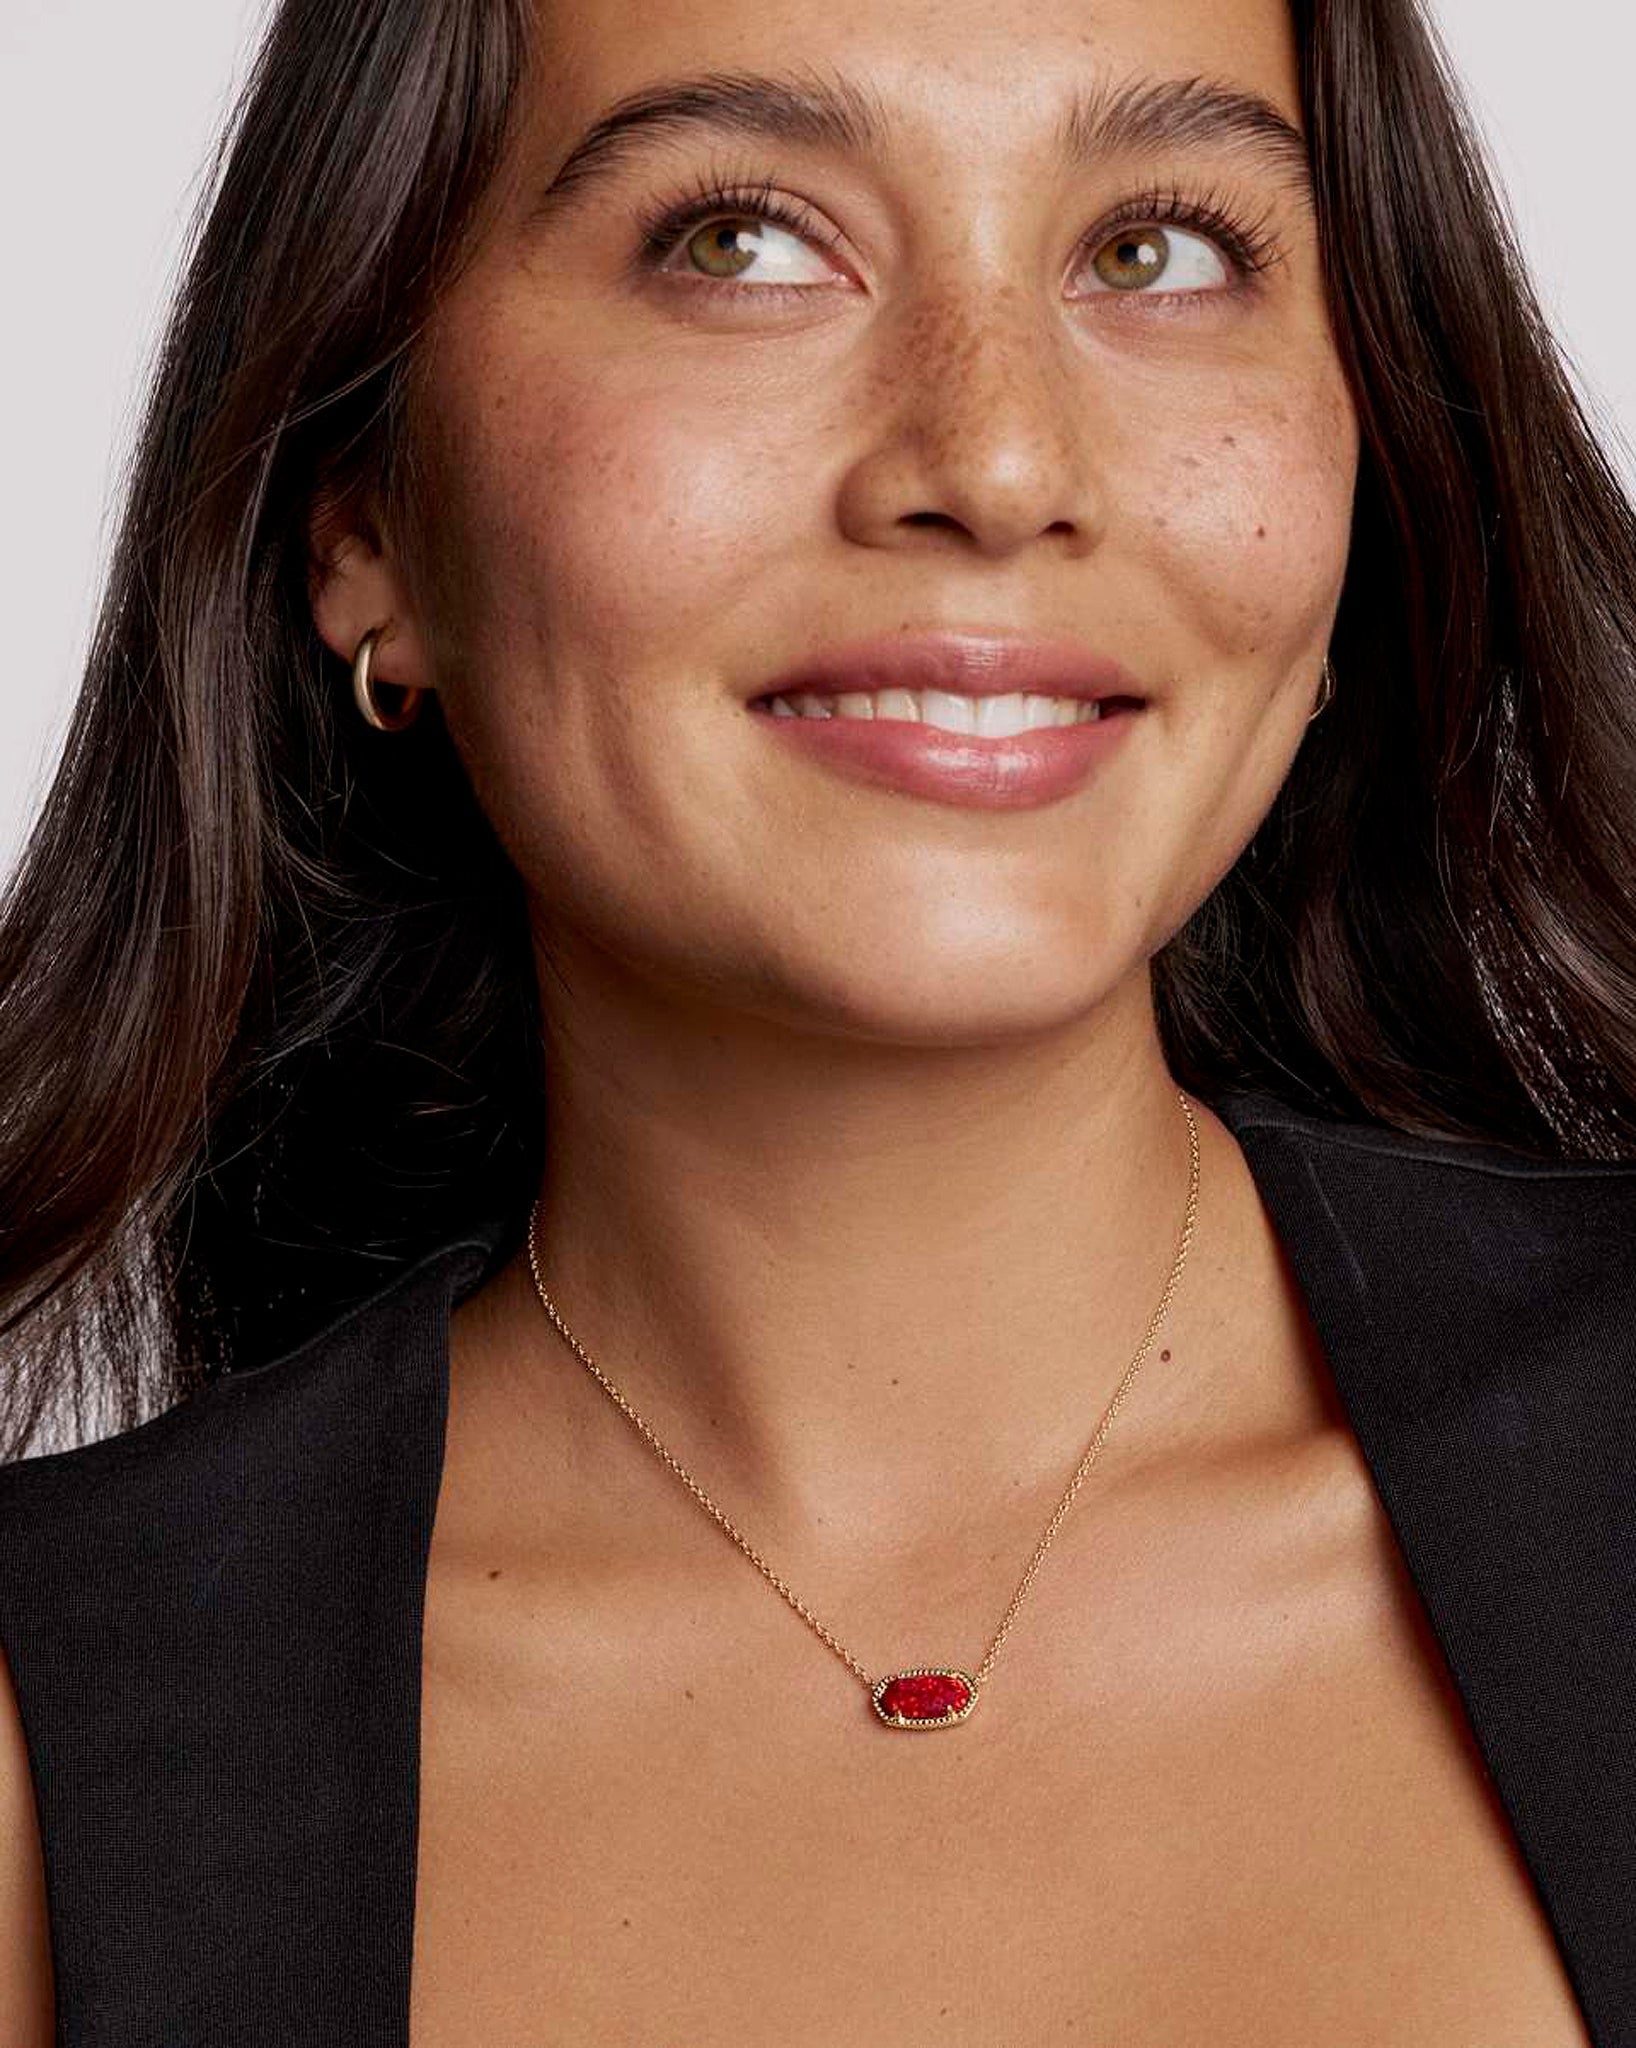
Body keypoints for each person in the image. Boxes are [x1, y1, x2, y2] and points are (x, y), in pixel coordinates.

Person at [0, 0, 1632, 2037]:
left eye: (1153, 248)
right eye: (739, 239)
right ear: (366, 528)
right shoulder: (38, 1780)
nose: (998, 459)